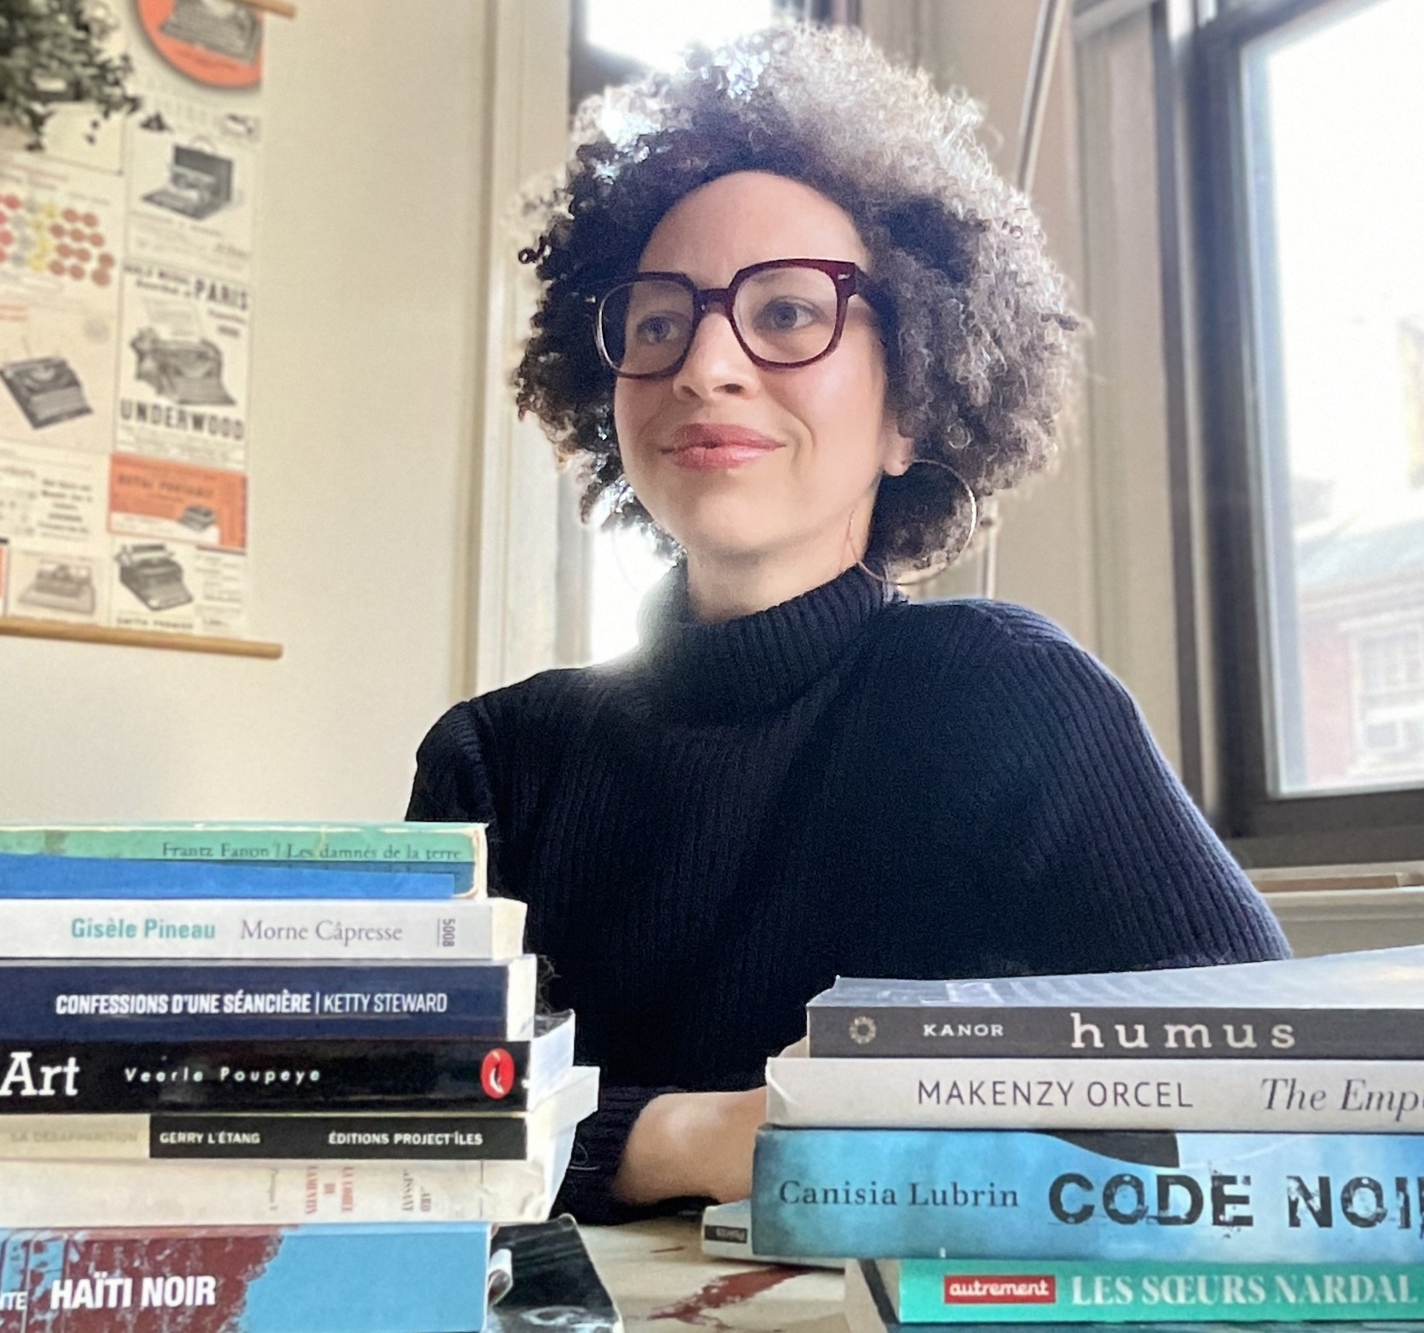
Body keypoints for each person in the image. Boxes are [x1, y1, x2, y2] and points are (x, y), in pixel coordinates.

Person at [406, 23, 1288, 1224]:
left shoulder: (1014, 699)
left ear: (909, 410)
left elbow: (1264, 1079)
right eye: (658, 322)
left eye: (783, 313)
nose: (705, 362)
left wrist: (592, 1129)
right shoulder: (495, 759)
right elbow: (400, 1113)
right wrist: (713, 1130)